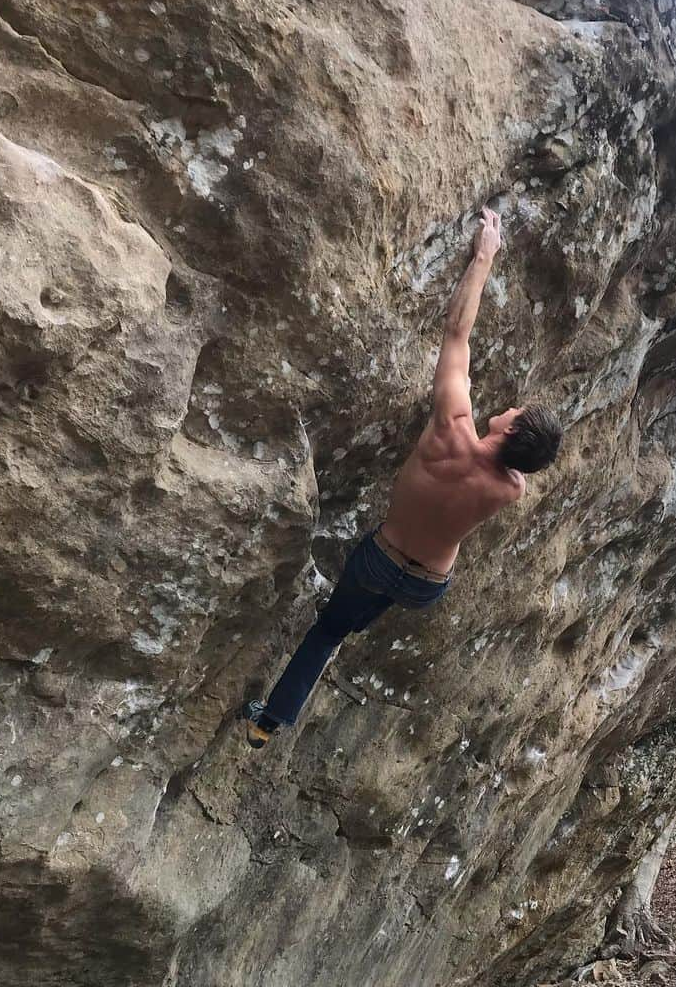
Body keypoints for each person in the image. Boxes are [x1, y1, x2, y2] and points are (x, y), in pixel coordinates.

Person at [241, 207, 563, 746]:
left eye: (514, 413)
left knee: (327, 631)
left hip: (378, 558)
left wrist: (485, 254)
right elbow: (509, 467)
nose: (508, 409)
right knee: (349, 623)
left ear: (509, 432)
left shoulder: (451, 428)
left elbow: (457, 334)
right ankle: (270, 722)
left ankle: (269, 721)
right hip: (424, 586)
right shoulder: (510, 488)